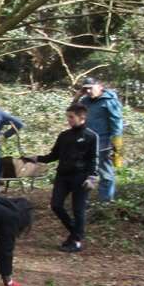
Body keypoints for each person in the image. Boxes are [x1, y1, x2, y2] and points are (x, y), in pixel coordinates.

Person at [32, 103, 100, 253]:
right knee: (56, 205)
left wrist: (92, 177)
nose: (69, 120)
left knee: (78, 210)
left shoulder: (91, 136)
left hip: (81, 177)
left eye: (71, 117)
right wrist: (36, 158)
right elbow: (53, 155)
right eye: (68, 117)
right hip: (62, 176)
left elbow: (94, 159)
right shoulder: (64, 135)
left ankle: (76, 241)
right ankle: (76, 234)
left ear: (82, 117)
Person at [75, 75, 125, 203]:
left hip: (104, 144)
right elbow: (72, 113)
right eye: (86, 89)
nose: (88, 91)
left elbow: (117, 124)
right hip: (86, 142)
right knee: (84, 173)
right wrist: (77, 96)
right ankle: (83, 202)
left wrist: (117, 147)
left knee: (105, 173)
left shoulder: (109, 101)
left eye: (91, 88)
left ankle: (105, 202)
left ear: (100, 87)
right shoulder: (85, 101)